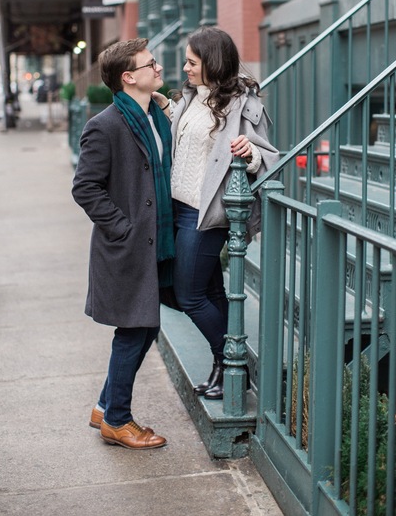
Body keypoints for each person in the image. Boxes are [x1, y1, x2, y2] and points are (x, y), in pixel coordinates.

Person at [160, 26, 280, 400]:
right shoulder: (192, 98)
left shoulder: (241, 104)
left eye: (192, 62)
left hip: (206, 212)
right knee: (205, 291)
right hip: (177, 208)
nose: (186, 68)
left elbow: (268, 155)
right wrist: (163, 105)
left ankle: (235, 365)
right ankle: (222, 366)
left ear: (212, 62)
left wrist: (251, 151)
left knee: (190, 295)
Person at [72, 38, 174, 449]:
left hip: (155, 242)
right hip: (128, 246)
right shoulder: (106, 124)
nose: (159, 68)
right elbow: (85, 188)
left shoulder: (155, 115)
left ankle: (104, 404)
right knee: (136, 329)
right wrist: (123, 227)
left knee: (144, 328)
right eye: (151, 64)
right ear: (128, 77)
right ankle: (117, 419)